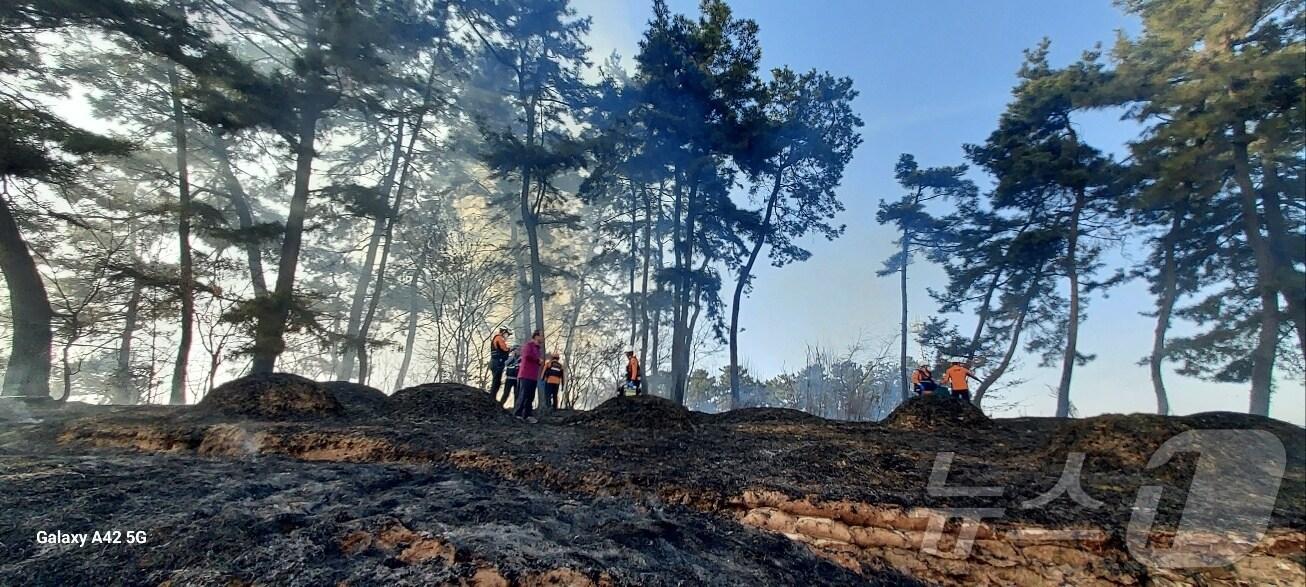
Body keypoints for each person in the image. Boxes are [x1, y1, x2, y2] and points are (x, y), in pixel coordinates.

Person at [514, 330, 544, 422]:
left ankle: (527, 415)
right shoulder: (529, 345)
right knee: (524, 394)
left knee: (530, 396)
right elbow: (527, 356)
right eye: (541, 336)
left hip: (533, 376)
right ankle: (518, 414)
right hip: (525, 374)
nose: (543, 338)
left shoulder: (538, 349)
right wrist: (538, 360)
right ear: (536, 336)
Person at [488, 328, 511, 400]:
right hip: (497, 362)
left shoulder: (497, 338)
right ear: (504, 332)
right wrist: (510, 349)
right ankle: (492, 398)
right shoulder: (499, 338)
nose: (507, 336)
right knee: (496, 381)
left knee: (496, 381)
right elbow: (504, 349)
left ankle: (492, 398)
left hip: (495, 362)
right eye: (507, 334)